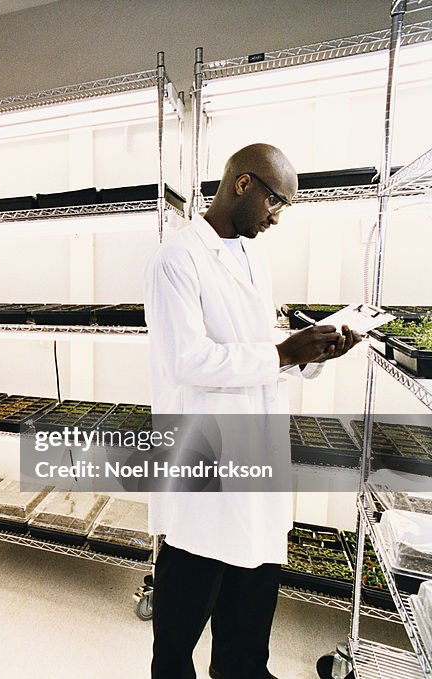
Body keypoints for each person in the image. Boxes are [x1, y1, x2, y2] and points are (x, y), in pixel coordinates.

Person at [143, 143, 363, 679]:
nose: (276, 217)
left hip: (256, 456)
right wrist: (284, 352)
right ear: (242, 184)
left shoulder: (252, 253)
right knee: (180, 629)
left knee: (248, 621)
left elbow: (258, 346)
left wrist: (310, 351)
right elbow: (186, 360)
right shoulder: (178, 257)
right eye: (275, 202)